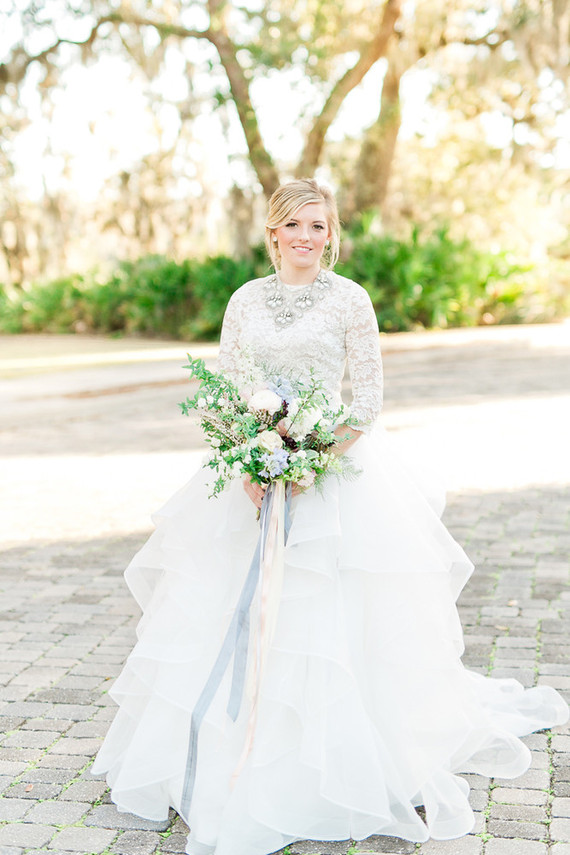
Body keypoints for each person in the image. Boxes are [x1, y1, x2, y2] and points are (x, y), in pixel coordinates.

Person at [92, 178, 568, 855]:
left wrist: (314, 460)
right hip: (252, 473)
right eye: (296, 226)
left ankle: (338, 755)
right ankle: (230, 751)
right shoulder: (244, 300)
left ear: (331, 233)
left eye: (319, 226)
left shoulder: (352, 300)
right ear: (274, 233)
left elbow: (368, 398)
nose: (308, 237)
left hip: (334, 474)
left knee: (331, 614)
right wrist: (253, 464)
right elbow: (224, 390)